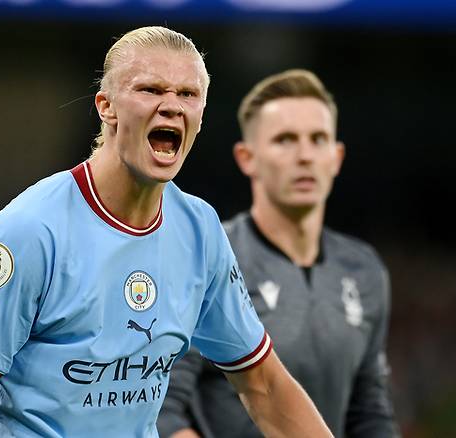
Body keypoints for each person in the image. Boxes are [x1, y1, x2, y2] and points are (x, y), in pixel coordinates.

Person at [0, 28, 332, 438]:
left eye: (187, 94)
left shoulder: (199, 230)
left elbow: (264, 385)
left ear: (201, 115)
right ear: (106, 106)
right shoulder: (29, 234)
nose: (171, 106)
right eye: (150, 90)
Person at [157, 69, 400, 438]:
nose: (304, 156)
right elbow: (163, 409)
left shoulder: (364, 269)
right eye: (285, 140)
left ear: (336, 157)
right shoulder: (207, 255)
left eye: (317, 140)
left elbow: (369, 413)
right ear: (246, 157)